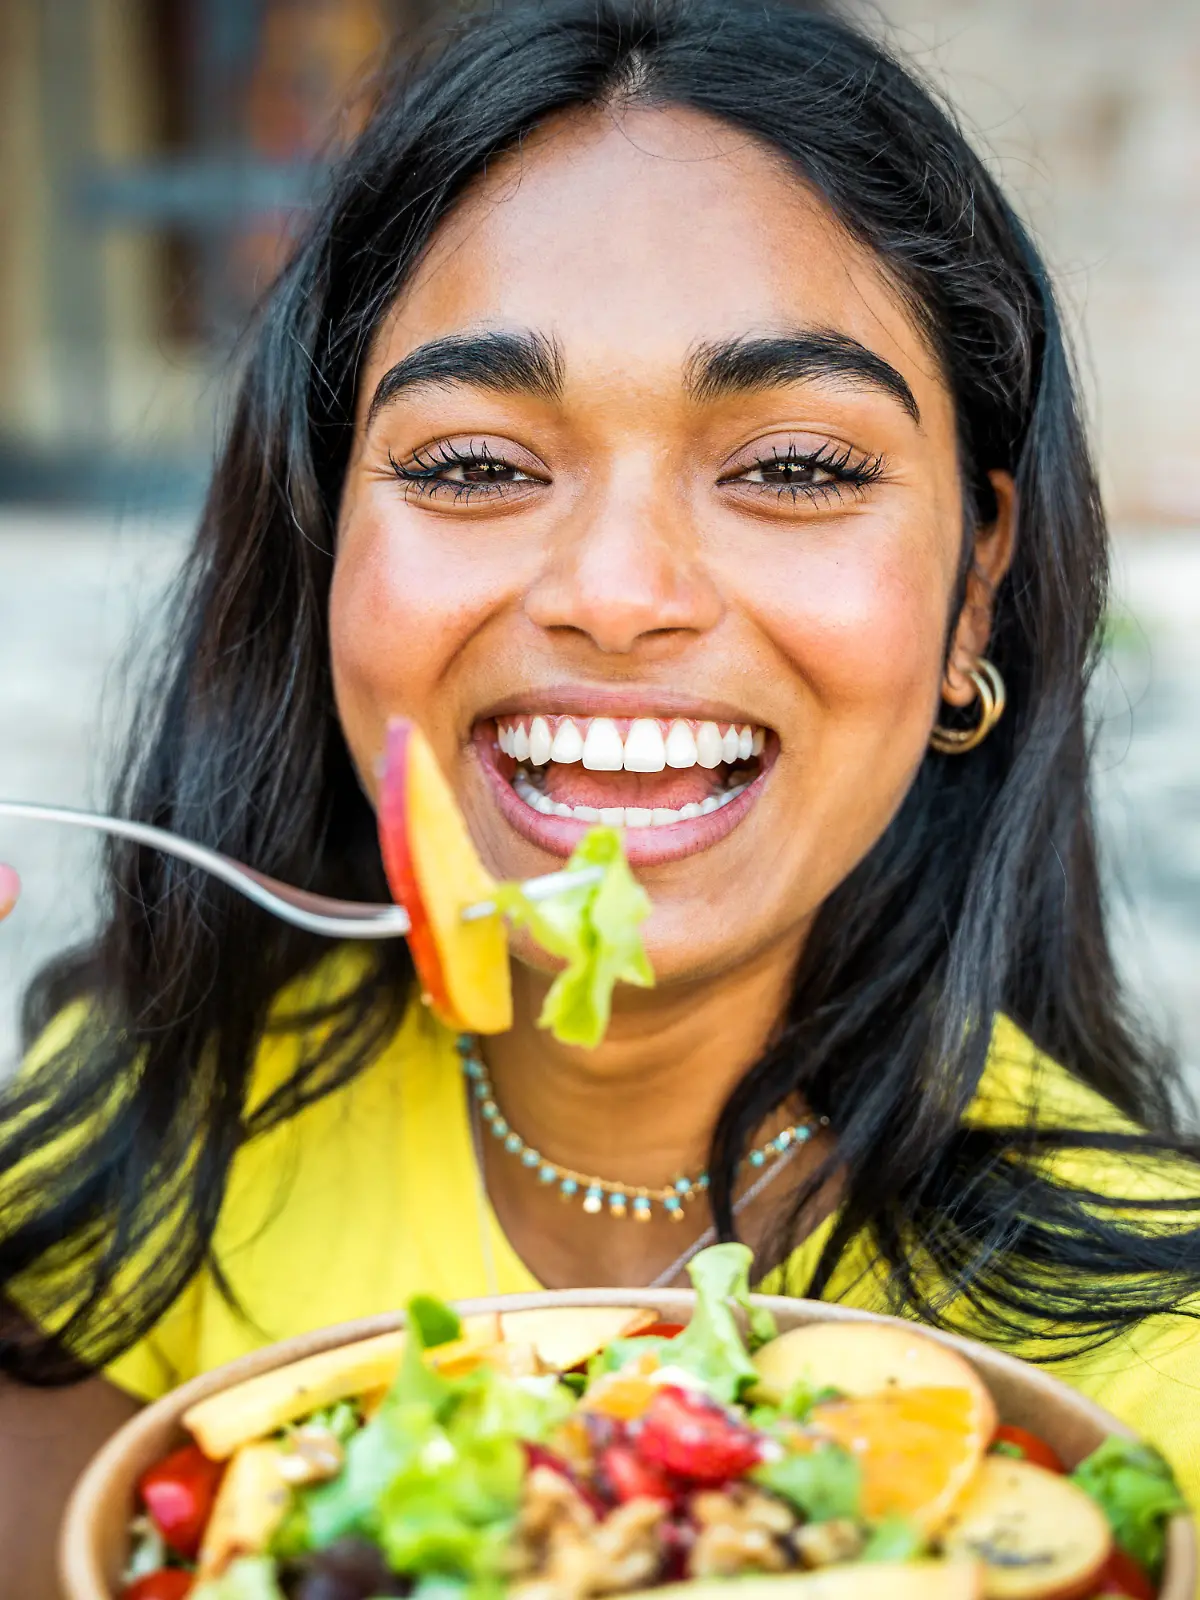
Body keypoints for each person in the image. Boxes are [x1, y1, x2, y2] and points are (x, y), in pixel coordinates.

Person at [3, 0, 1200, 1590]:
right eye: (477, 464)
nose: (620, 592)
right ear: (326, 548)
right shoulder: (143, 1132)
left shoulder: (1140, 1373)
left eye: (794, 465)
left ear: (974, 584)